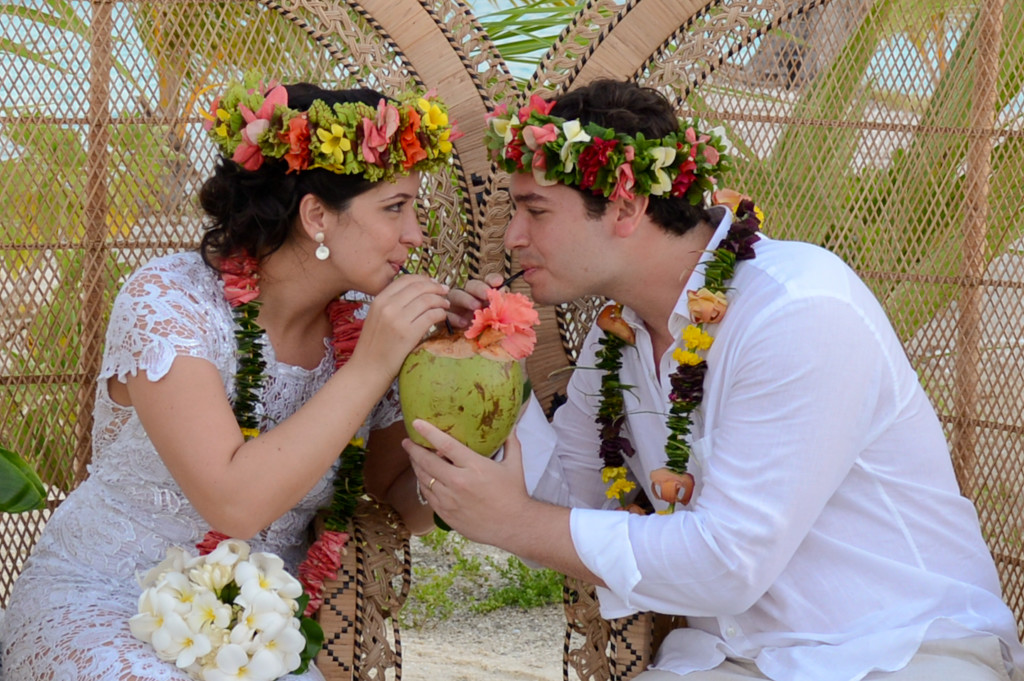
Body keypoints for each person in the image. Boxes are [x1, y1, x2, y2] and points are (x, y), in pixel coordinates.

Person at [405, 79, 1024, 681]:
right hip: (730, 661)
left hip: (901, 649)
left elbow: (729, 563)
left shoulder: (798, 310)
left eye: (534, 210)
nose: (513, 238)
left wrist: (511, 523)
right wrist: (485, 369)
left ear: (625, 206)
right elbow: (569, 496)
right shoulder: (617, 335)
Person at [0, 75, 455, 678]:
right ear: (316, 215)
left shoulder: (368, 327)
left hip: (257, 633)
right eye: (395, 208)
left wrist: (466, 386)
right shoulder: (168, 303)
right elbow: (233, 502)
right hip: (108, 602)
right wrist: (374, 362)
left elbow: (402, 497)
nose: (414, 235)